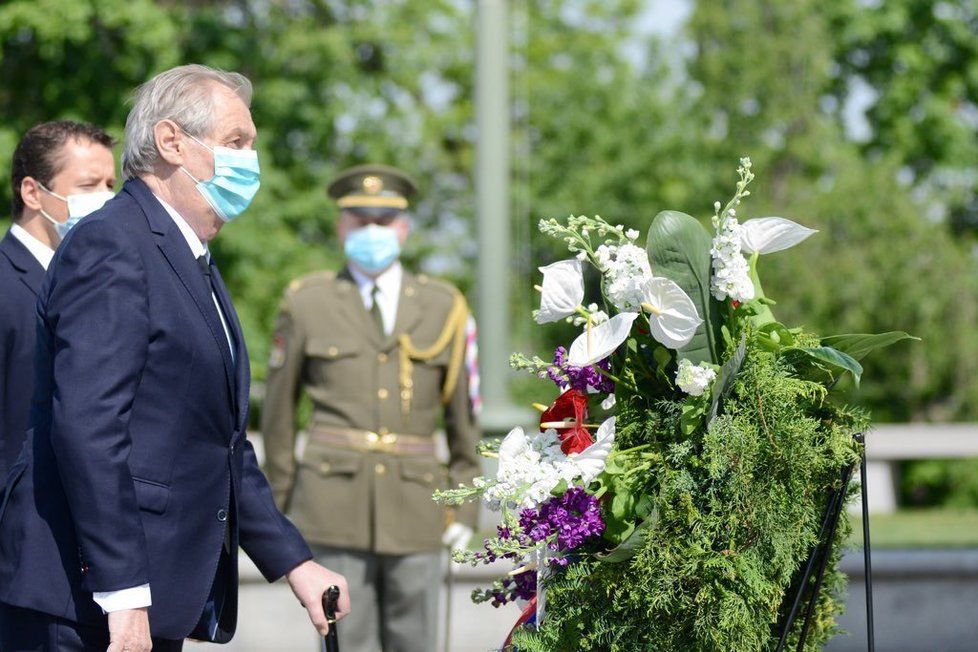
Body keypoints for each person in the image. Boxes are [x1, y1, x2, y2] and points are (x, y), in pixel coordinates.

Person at [0, 64, 349, 652]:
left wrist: (295, 563)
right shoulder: (113, 243)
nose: (250, 162)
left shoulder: (188, 256)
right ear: (170, 142)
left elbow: (221, 444)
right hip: (86, 604)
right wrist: (124, 593)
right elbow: (89, 426)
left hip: (148, 598)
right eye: (236, 143)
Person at [262, 164, 481, 652]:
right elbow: (277, 416)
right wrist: (279, 508)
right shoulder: (307, 302)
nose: (373, 231)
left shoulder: (445, 306)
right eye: (361, 220)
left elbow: (464, 417)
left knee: (417, 643)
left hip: (420, 507)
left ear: (403, 228)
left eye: (385, 220)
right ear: (342, 226)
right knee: (346, 643)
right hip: (330, 506)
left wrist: (465, 502)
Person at [0, 120, 115, 481]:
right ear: (32, 192)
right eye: (88, 185)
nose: (106, 199)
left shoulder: (90, 282)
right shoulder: (6, 287)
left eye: (110, 185)